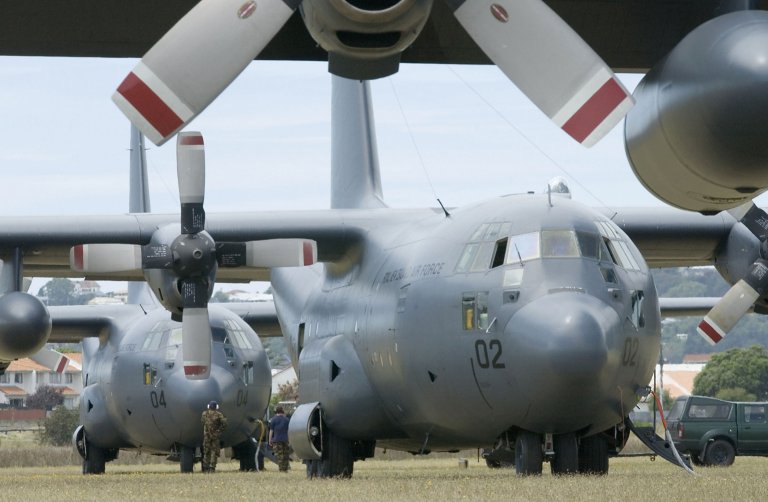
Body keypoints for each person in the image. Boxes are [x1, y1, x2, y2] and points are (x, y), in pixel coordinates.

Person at [201, 401, 227, 473]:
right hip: (215, 436)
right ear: (216, 407)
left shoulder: (204, 414)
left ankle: (205, 468)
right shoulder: (219, 414)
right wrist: (219, 431)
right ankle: (212, 468)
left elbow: (202, 421)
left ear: (208, 406)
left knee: (206, 452)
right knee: (214, 452)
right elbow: (224, 423)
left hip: (207, 436)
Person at [269, 406, 291, 472]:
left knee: (279, 455)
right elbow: (289, 430)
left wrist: (270, 440)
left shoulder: (273, 419)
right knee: (286, 454)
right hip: (285, 439)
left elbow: (271, 431)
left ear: (276, 412)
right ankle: (285, 468)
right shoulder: (287, 419)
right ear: (282, 411)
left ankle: (281, 469)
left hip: (276, 440)